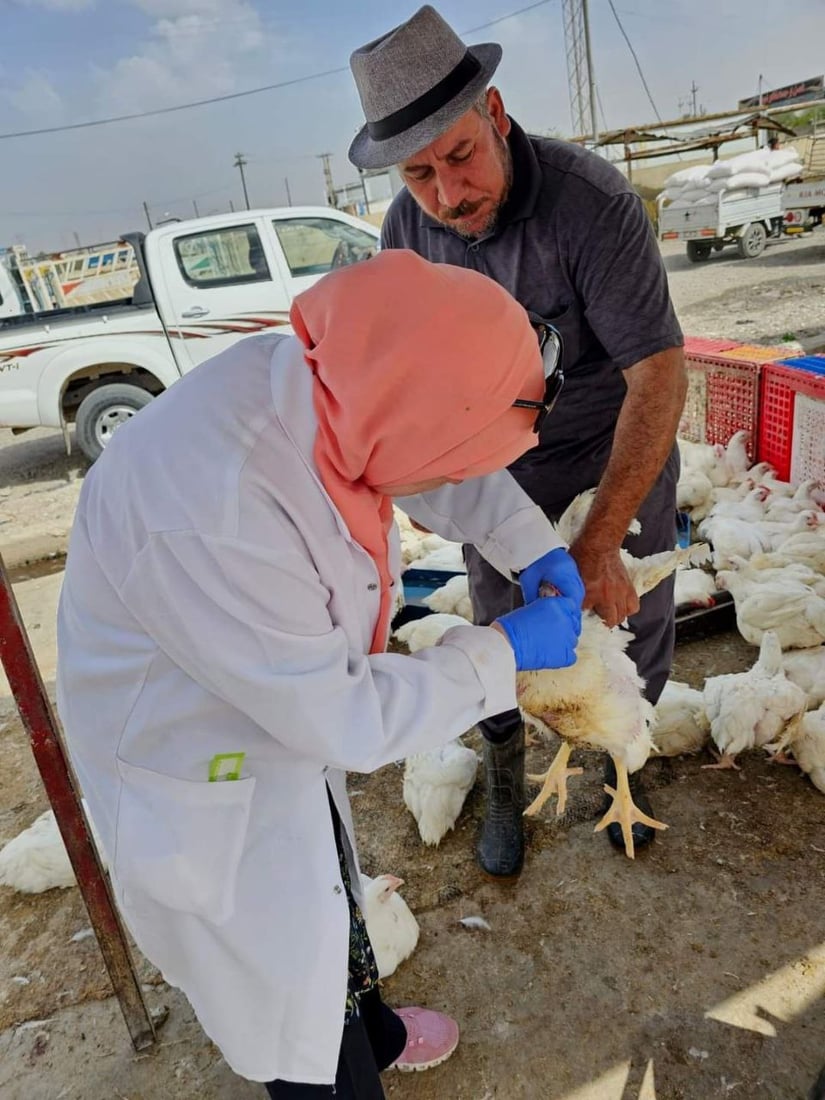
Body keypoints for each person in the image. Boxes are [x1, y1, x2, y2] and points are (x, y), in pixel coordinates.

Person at [55, 250, 584, 1098]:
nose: (453, 476)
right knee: (286, 983)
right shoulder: (218, 508)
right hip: (202, 757)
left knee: (329, 888)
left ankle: (372, 1032)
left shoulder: (338, 384)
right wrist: (500, 652)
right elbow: (347, 718)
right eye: (453, 459)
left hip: (270, 716)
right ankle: (337, 1075)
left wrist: (531, 545)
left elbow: (430, 455)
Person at [348, 5, 688, 877]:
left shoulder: (591, 204)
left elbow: (657, 377)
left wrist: (600, 538)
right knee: (499, 621)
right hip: (492, 466)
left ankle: (625, 762)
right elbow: (414, 378)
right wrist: (424, 477)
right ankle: (505, 770)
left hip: (609, 448)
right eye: (418, 174)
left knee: (626, 614)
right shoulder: (407, 230)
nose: (446, 195)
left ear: (494, 113)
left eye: (459, 156)